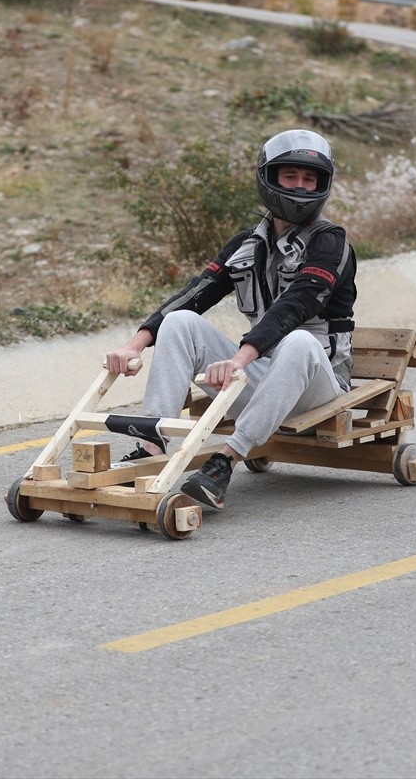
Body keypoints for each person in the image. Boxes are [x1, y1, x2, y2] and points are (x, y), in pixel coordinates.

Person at [104, 129, 357, 510]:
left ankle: (224, 462)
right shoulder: (246, 243)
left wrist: (239, 360)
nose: (301, 187)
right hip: (259, 379)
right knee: (180, 321)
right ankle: (151, 444)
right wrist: (135, 343)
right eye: (291, 176)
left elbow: (295, 307)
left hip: (315, 387)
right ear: (269, 178)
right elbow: (196, 292)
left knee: (299, 341)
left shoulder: (331, 243)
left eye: (310, 179)